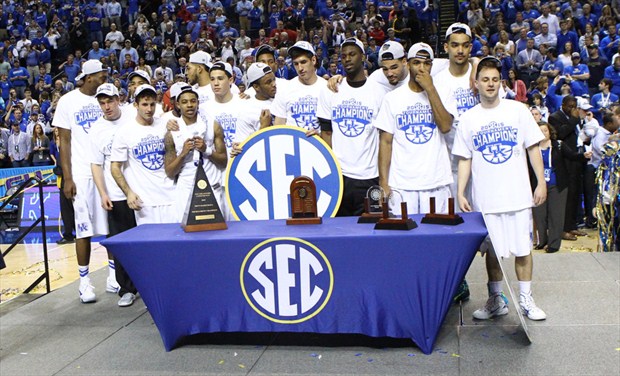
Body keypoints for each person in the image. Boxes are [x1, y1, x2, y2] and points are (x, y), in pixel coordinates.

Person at [453, 56, 548, 321]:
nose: (490, 84)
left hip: (517, 195)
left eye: (495, 79)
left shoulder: (517, 111)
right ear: (477, 83)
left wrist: (540, 182)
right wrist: (461, 192)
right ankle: (496, 299)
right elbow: (465, 158)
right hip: (487, 198)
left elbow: (533, 148)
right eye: (485, 80)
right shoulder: (468, 118)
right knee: (492, 252)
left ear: (501, 82)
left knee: (522, 249)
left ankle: (526, 299)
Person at [53, 60, 110, 303]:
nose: (104, 78)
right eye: (100, 75)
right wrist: (67, 177)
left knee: (111, 228)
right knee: (83, 229)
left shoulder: (106, 98)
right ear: (88, 78)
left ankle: (113, 277)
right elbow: (63, 141)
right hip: (81, 172)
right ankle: (84, 283)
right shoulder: (68, 101)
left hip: (106, 170)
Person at [375, 43, 456, 216]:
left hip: (436, 181)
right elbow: (385, 142)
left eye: (426, 63)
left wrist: (430, 89)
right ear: (407, 63)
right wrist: (383, 182)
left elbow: (445, 126)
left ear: (431, 66)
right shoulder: (392, 98)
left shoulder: (444, 92)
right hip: (402, 184)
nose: (421, 68)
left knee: (437, 234)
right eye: (416, 63)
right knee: (402, 238)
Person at [316, 37, 386, 216]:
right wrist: (331, 171)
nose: (347, 59)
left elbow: (384, 138)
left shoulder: (378, 91)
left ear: (363, 57)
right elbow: (326, 133)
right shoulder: (331, 89)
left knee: (371, 232)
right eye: (343, 55)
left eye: (352, 54)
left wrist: (383, 179)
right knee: (339, 232)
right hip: (340, 176)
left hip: (369, 175)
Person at [90, 83, 137, 307]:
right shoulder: (96, 129)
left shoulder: (132, 116)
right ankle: (126, 289)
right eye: (102, 102)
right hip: (116, 194)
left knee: (144, 243)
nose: (106, 106)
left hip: (140, 190)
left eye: (109, 101)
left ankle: (148, 286)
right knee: (121, 245)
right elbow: (96, 165)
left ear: (118, 99)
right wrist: (102, 193)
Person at [110, 84, 176, 227]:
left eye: (152, 104)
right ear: (136, 105)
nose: (149, 109)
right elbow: (115, 167)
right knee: (151, 246)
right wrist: (128, 193)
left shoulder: (165, 125)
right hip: (145, 201)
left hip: (172, 196)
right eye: (145, 104)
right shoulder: (125, 131)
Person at [164, 85, 227, 221]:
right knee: (186, 237)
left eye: (193, 101)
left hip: (212, 185)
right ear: (178, 105)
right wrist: (183, 154)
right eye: (185, 102)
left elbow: (223, 161)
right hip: (186, 190)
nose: (190, 105)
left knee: (217, 233)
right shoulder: (172, 132)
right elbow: (170, 172)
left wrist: (207, 150)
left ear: (198, 103)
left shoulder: (212, 125)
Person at [532, 122, 591, 253]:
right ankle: (543, 241)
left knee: (556, 215)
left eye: (545, 131)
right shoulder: (531, 148)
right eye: (540, 131)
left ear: (550, 132)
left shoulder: (558, 145)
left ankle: (553, 244)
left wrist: (584, 156)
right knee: (540, 215)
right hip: (538, 186)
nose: (543, 134)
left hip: (557, 185)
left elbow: (572, 156)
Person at [548, 95, 585, 241]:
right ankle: (563, 229)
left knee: (575, 194)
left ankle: (571, 225)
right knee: (567, 196)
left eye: (574, 106)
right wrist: (574, 119)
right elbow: (561, 134)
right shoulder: (555, 117)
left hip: (575, 158)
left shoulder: (574, 118)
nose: (572, 109)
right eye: (569, 106)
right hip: (564, 161)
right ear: (563, 105)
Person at [271, 41, 327, 132]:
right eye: (296, 64)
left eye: (303, 62)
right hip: (291, 144)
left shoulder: (326, 88)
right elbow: (278, 128)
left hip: (319, 144)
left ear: (313, 60)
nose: (300, 68)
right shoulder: (285, 89)